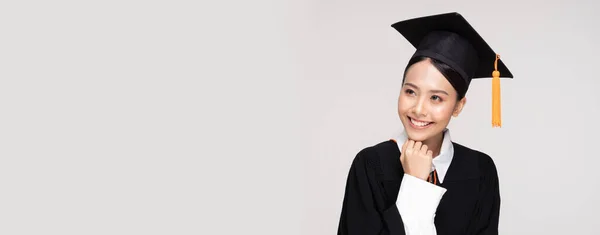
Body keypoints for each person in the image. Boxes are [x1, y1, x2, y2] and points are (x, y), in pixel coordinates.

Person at [337, 12, 513, 235]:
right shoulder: (371, 165)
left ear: (458, 106)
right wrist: (414, 184)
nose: (419, 109)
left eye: (436, 98)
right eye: (410, 91)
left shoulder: (480, 170)